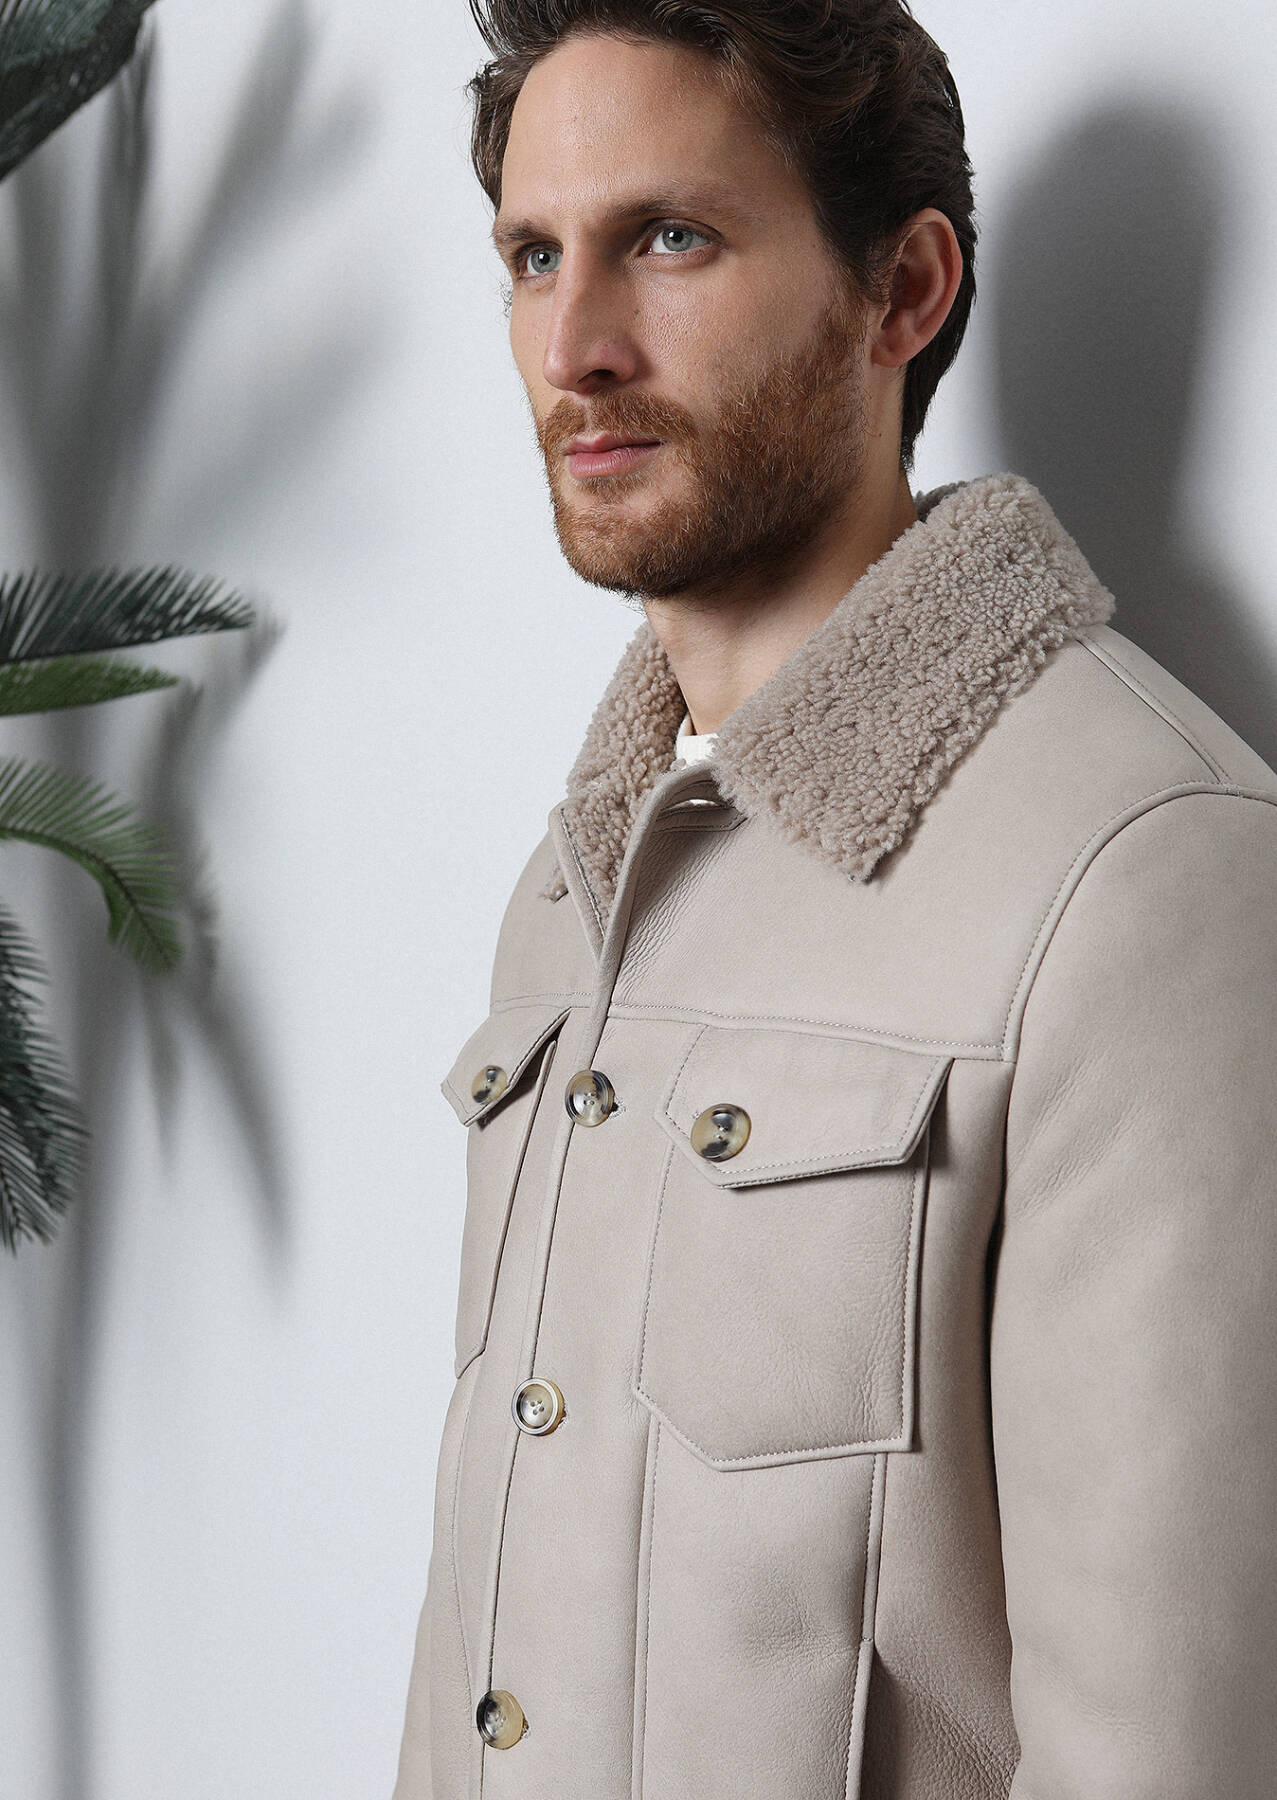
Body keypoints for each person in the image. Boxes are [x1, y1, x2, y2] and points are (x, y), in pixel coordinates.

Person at [395, 3, 1277, 1795]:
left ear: (903, 292)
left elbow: (1170, 1749)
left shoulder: (1144, 870)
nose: (573, 346)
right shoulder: (573, 885)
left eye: (668, 238)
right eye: (532, 256)